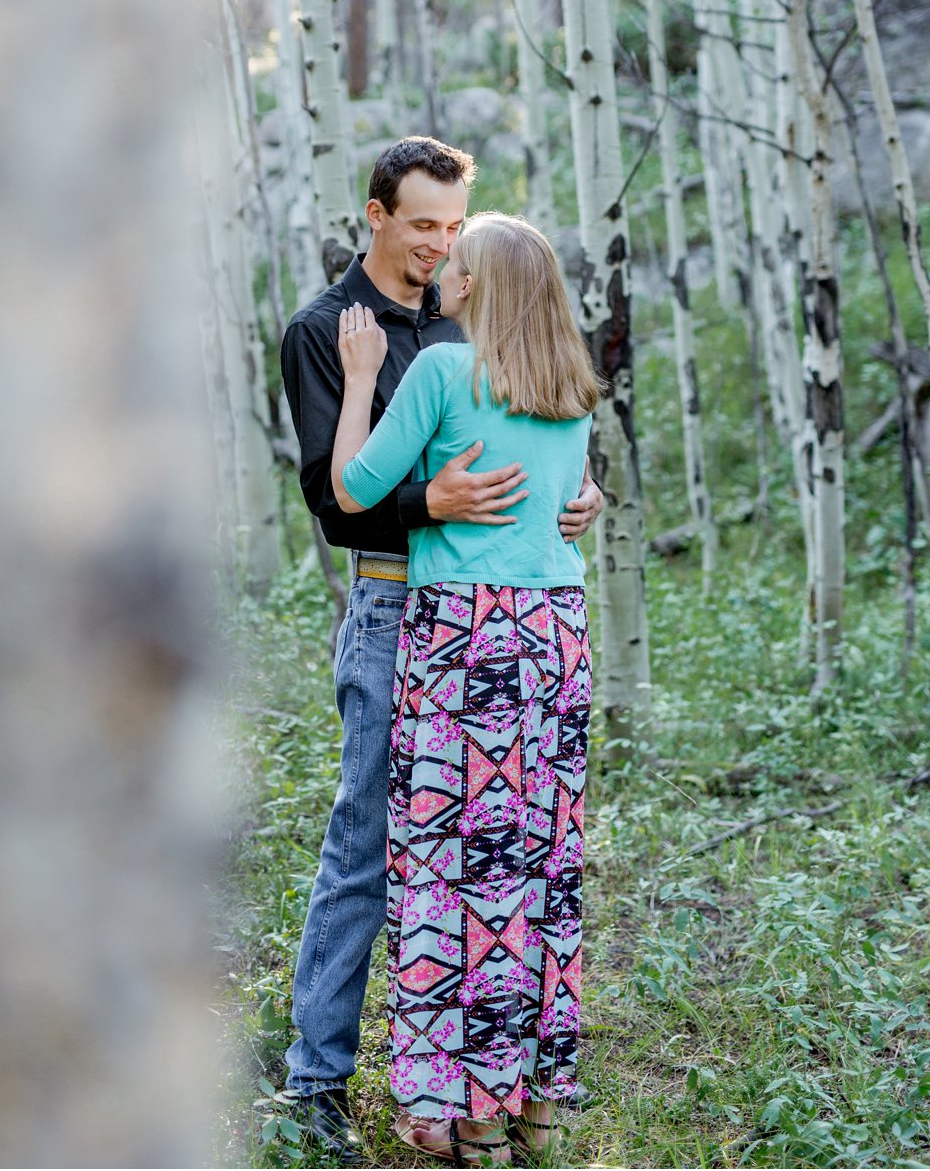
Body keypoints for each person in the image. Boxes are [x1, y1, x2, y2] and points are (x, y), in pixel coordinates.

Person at [279, 138, 603, 1164]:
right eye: (423, 225)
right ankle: (322, 1075)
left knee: (474, 859)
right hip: (396, 609)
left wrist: (578, 499)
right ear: (376, 215)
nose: (439, 245)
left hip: (469, 623)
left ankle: (470, 1085)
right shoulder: (329, 330)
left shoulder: (474, 328)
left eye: (455, 228)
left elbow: (539, 462)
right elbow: (342, 505)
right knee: (375, 843)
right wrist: (439, 500)